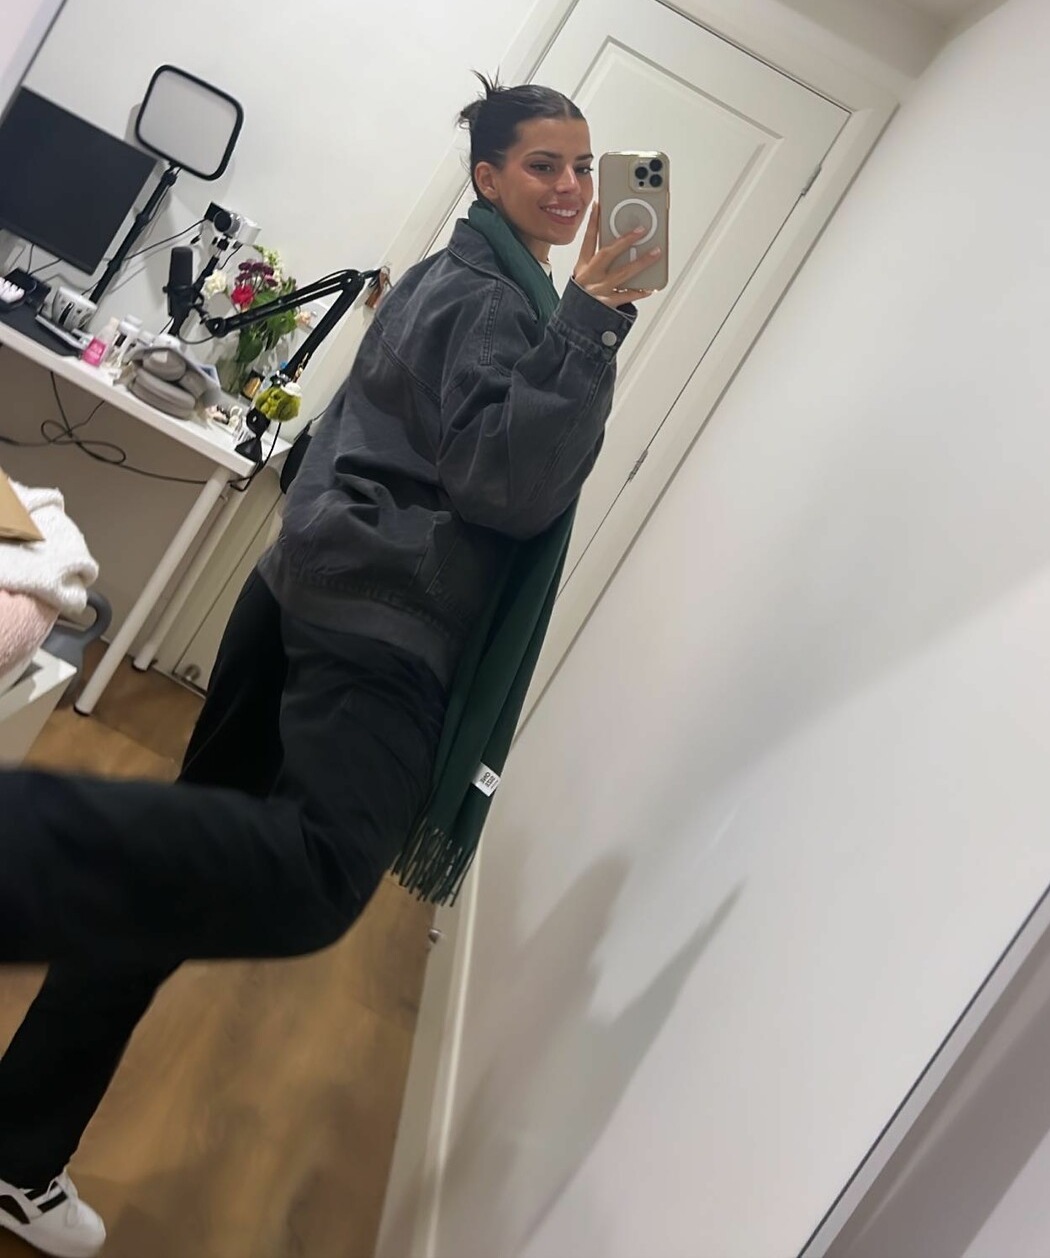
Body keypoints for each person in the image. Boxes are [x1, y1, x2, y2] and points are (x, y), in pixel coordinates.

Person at [0, 76, 660, 1254]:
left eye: (583, 166)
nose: (571, 188)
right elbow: (508, 487)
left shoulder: (456, 272)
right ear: (489, 177)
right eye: (543, 166)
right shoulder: (502, 301)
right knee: (315, 875)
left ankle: (15, 1144)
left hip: (298, 585)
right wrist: (593, 324)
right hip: (376, 620)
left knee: (177, 865)